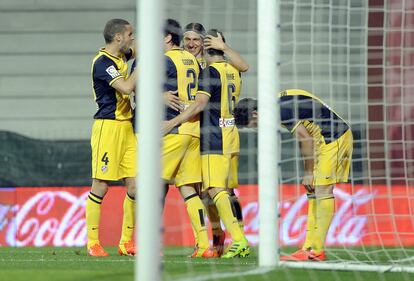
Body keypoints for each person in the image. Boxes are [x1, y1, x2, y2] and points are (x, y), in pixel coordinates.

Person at [233, 89, 354, 261]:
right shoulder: (277, 102)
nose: (257, 127)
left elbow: (305, 139)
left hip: (334, 138)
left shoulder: (279, 110)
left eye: (254, 124)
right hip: (323, 140)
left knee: (322, 191)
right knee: (313, 193)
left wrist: (308, 173)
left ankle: (316, 250)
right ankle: (308, 247)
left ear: (255, 113)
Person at [163, 29, 250, 259]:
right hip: (231, 134)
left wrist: (173, 121)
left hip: (214, 137)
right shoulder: (233, 69)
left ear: (206, 46)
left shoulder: (209, 72)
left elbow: (199, 104)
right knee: (228, 192)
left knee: (213, 189)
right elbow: (245, 66)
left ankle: (239, 240)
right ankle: (231, 236)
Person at [161, 19, 216, 258]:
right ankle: (204, 244)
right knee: (188, 190)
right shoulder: (197, 62)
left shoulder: (170, 59)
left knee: (153, 186)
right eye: (188, 39)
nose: (191, 43)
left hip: (176, 128)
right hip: (195, 131)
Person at [86, 18, 137, 257]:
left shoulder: (122, 57)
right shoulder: (103, 63)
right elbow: (126, 88)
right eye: (130, 35)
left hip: (128, 128)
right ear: (118, 37)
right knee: (101, 184)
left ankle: (126, 242)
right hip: (108, 128)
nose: (132, 39)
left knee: (136, 185)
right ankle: (93, 242)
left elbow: (141, 49)